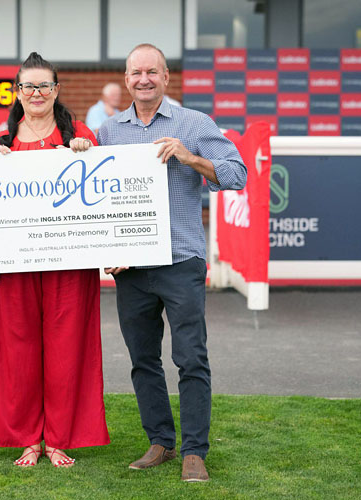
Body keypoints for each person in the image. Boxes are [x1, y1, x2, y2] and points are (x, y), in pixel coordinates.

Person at [97, 43, 246, 482]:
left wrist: (190, 157)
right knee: (143, 359)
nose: (143, 79)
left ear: (165, 77)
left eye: (152, 72)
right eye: (135, 73)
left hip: (181, 261)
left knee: (191, 358)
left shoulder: (193, 124)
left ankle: (194, 451)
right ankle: (160, 441)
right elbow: (94, 196)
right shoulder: (108, 132)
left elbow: (237, 174)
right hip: (132, 269)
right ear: (126, 80)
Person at [0, 52, 110, 468]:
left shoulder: (80, 135)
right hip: (14, 267)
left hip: (69, 265)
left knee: (68, 348)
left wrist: (85, 155)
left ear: (56, 90)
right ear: (17, 92)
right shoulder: (0, 143)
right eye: (28, 86)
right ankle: (27, 439)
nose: (36, 93)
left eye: (44, 86)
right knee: (16, 351)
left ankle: (58, 438)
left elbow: (102, 192)